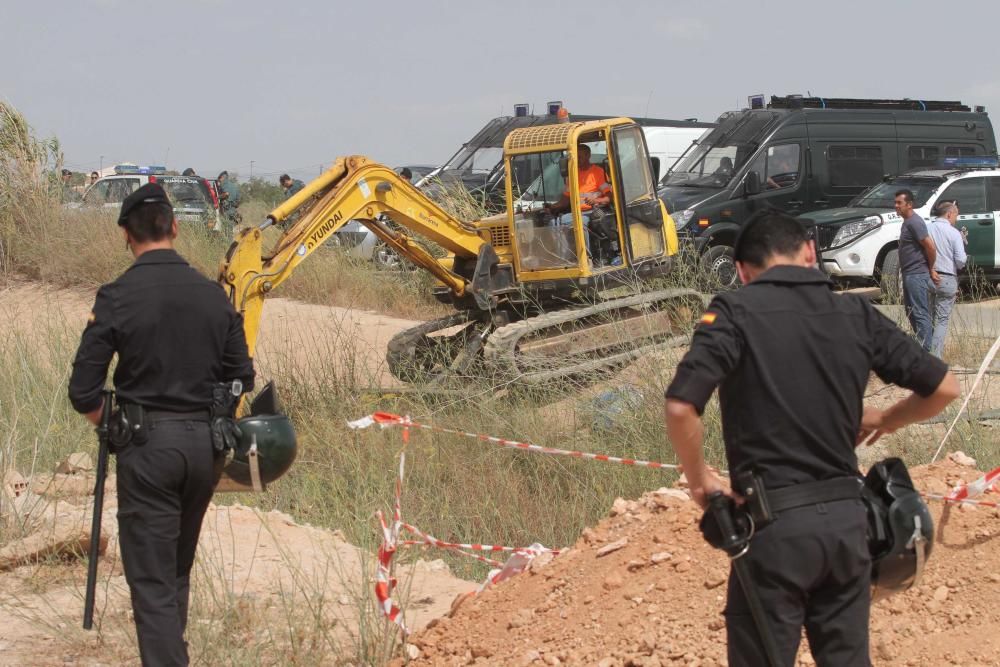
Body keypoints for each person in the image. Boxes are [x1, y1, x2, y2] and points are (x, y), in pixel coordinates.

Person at [664, 210, 959, 666]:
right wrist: (888, 418)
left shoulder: (733, 312)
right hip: (848, 529)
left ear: (742, 271)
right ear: (809, 253)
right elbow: (944, 388)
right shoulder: (855, 312)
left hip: (772, 531)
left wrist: (700, 480)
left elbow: (682, 406)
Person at [68, 183, 255, 666]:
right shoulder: (214, 297)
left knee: (150, 582)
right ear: (174, 227)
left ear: (126, 235)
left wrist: (118, 427)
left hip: (147, 447)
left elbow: (83, 391)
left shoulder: (117, 296)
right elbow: (242, 375)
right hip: (205, 449)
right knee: (174, 568)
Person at [896, 189, 937, 350]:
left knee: (919, 312)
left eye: (899, 203)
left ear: (909, 204)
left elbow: (930, 247)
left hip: (916, 274)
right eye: (895, 203)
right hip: (909, 274)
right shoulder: (907, 222)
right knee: (911, 311)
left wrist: (931, 268)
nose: (896, 206)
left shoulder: (915, 222)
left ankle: (926, 350)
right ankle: (923, 344)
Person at [926, 200, 966, 357]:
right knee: (942, 320)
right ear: (949, 214)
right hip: (948, 278)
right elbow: (961, 260)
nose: (956, 218)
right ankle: (935, 357)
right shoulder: (954, 233)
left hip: (928, 276)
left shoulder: (927, 228)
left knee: (927, 317)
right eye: (956, 215)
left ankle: (923, 353)